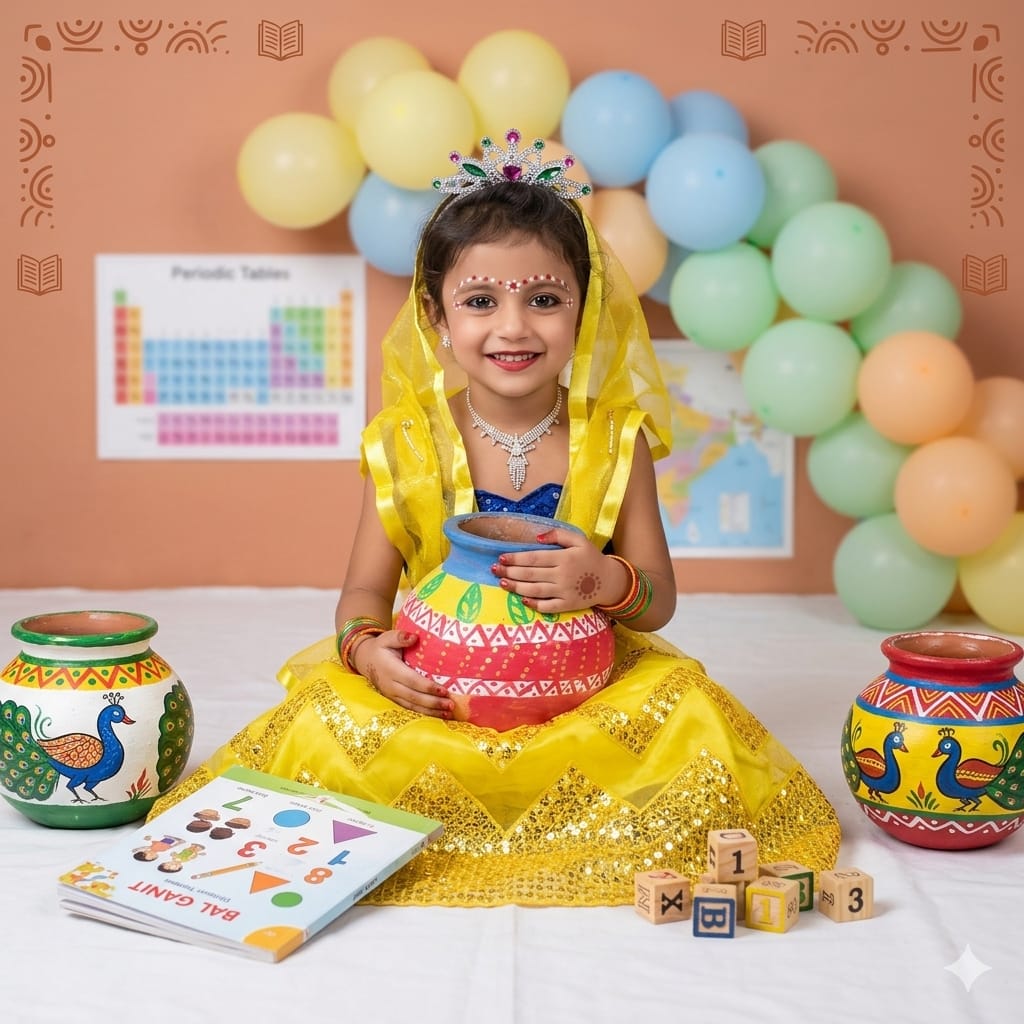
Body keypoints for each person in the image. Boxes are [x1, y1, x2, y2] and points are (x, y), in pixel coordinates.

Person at [151, 130, 840, 906]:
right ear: (434, 315)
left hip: (582, 690)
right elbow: (361, 596)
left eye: (544, 299)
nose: (513, 328)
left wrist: (605, 578)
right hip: (442, 694)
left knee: (686, 712)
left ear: (586, 309)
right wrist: (370, 653)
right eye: (480, 302)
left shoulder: (617, 443)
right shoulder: (408, 445)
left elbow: (659, 597)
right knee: (320, 720)